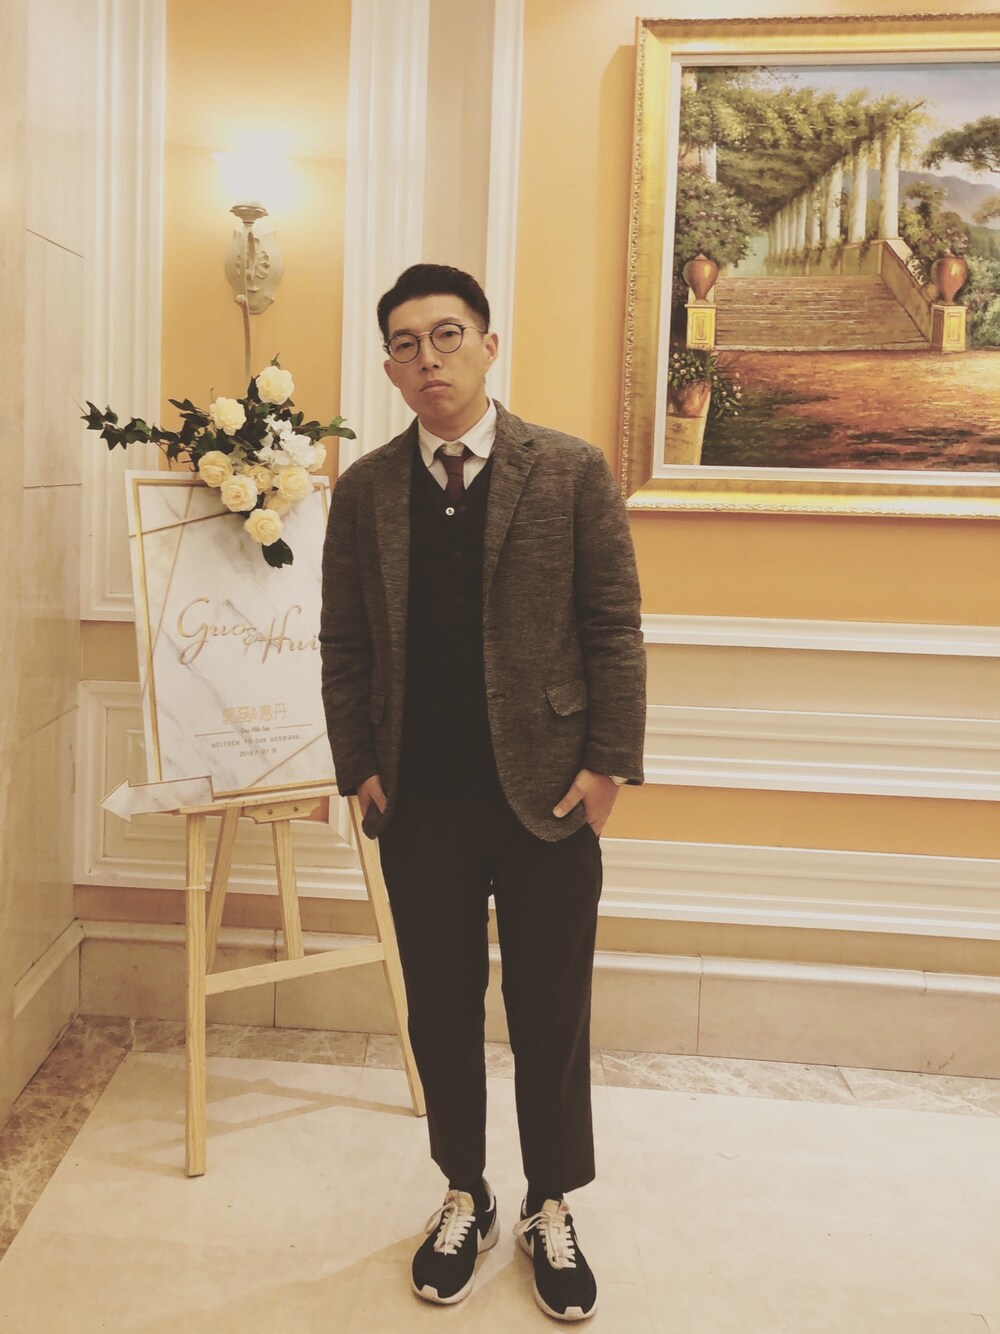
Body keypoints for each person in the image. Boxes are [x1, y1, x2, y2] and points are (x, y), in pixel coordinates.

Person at [320, 263, 645, 1322]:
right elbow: (344, 642)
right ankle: (465, 1189)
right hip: (418, 801)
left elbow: (613, 627)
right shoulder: (366, 489)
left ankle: (551, 1201)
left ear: (489, 345)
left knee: (551, 1011)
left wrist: (607, 763)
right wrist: (359, 765)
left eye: (448, 334)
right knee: (442, 1012)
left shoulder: (571, 470)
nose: (430, 359)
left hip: (549, 796)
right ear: (389, 368)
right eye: (406, 344)